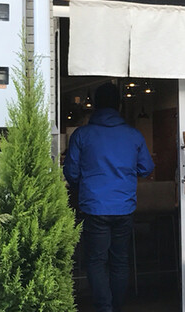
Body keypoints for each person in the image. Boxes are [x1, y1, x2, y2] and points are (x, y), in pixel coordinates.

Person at [64, 82, 154, 312]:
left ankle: (105, 308)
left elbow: (71, 173)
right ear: (119, 105)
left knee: (96, 261)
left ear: (95, 105)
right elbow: (146, 168)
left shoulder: (82, 135)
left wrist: (87, 184)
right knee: (120, 260)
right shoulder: (133, 135)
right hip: (124, 207)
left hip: (94, 207)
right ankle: (117, 307)